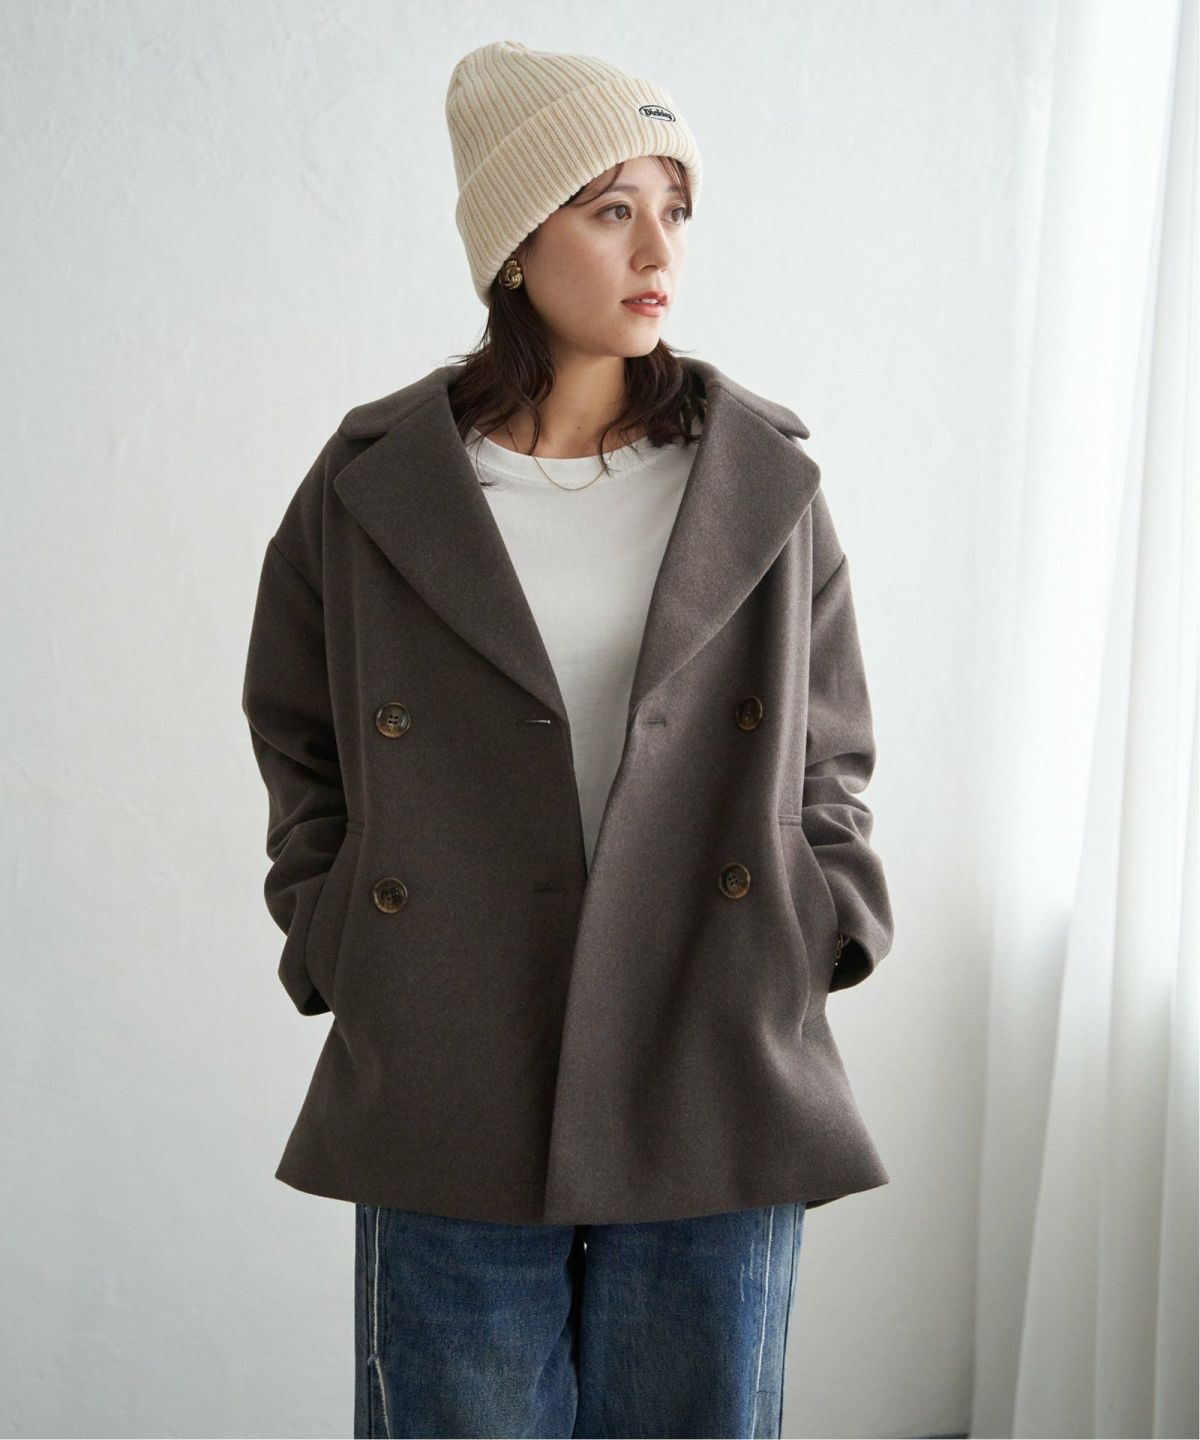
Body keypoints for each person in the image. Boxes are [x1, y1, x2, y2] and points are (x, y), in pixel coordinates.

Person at [242, 39, 895, 1440]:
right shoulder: (375, 484)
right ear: (515, 245)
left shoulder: (759, 480)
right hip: (449, 1042)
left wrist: (816, 918)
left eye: (676, 210)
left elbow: (830, 754)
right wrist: (341, 926)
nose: (659, 250)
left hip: (712, 1029)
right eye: (611, 209)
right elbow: (297, 731)